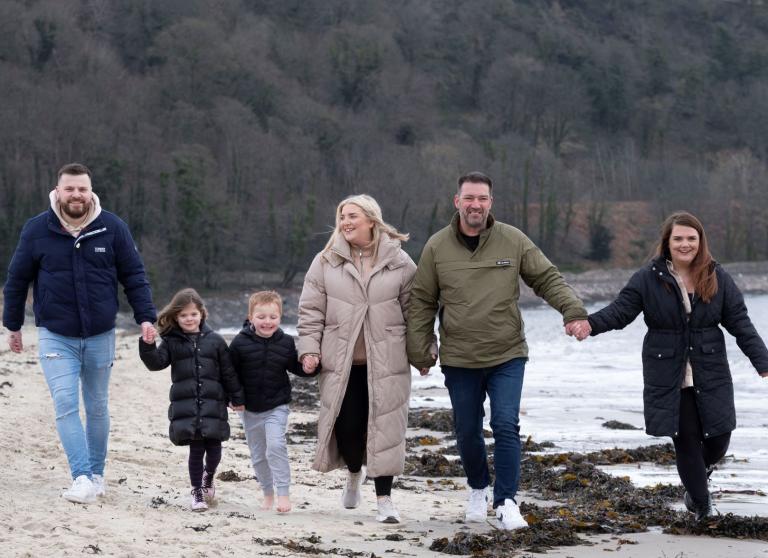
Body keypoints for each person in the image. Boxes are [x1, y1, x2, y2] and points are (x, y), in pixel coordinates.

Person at [406, 171, 589, 530]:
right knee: (467, 430)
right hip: (460, 358)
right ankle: (478, 488)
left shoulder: (512, 239)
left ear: (491, 202)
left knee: (506, 424)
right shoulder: (436, 247)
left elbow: (547, 278)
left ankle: (506, 502)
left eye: (483, 199)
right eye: (469, 198)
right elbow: (422, 301)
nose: (476, 205)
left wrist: (574, 312)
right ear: (457, 202)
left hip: (507, 353)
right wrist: (420, 352)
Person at [571, 211, 768, 521]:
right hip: (668, 373)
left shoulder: (717, 276)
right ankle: (702, 507)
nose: (685, 244)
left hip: (711, 369)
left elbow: (741, 324)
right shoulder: (647, 278)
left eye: (691, 238)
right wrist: (589, 325)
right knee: (686, 438)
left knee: (719, 437)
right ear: (667, 242)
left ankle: (696, 483)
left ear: (701, 242)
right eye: (678, 238)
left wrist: (763, 361)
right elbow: (620, 312)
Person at [3, 162, 157, 504]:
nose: (76, 195)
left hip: (102, 334)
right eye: (69, 188)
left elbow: (134, 275)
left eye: (82, 189)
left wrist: (146, 317)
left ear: (91, 191)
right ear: (58, 191)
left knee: (98, 406)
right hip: (56, 335)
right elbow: (16, 280)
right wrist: (13, 325)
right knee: (66, 403)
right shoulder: (37, 229)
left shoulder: (112, 227)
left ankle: (97, 474)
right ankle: (82, 477)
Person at [297, 194, 416, 524]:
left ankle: (385, 500)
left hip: (388, 363)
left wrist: (424, 351)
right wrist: (308, 349)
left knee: (384, 431)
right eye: (342, 217)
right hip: (341, 363)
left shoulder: (401, 263)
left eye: (352, 216)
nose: (345, 222)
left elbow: (416, 314)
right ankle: (353, 471)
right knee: (348, 429)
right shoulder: (325, 261)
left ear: (371, 221)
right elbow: (310, 311)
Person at [139, 288, 245, 512]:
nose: (189, 319)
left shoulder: (215, 341)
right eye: (184, 315)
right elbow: (155, 363)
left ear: (202, 314)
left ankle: (209, 477)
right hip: (187, 406)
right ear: (176, 317)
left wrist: (237, 397)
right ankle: (197, 491)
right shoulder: (171, 342)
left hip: (214, 404)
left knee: (215, 451)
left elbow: (228, 372)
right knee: (196, 451)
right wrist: (147, 345)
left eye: (193, 314)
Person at [229, 290, 310, 513]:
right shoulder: (239, 343)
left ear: (280, 318)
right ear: (251, 317)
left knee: (275, 446)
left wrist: (310, 366)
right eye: (261, 317)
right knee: (258, 454)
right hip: (249, 408)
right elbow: (229, 373)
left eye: (273, 317)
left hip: (277, 404)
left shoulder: (285, 342)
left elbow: (295, 366)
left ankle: (283, 493)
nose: (267, 322)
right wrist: (233, 398)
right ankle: (268, 493)